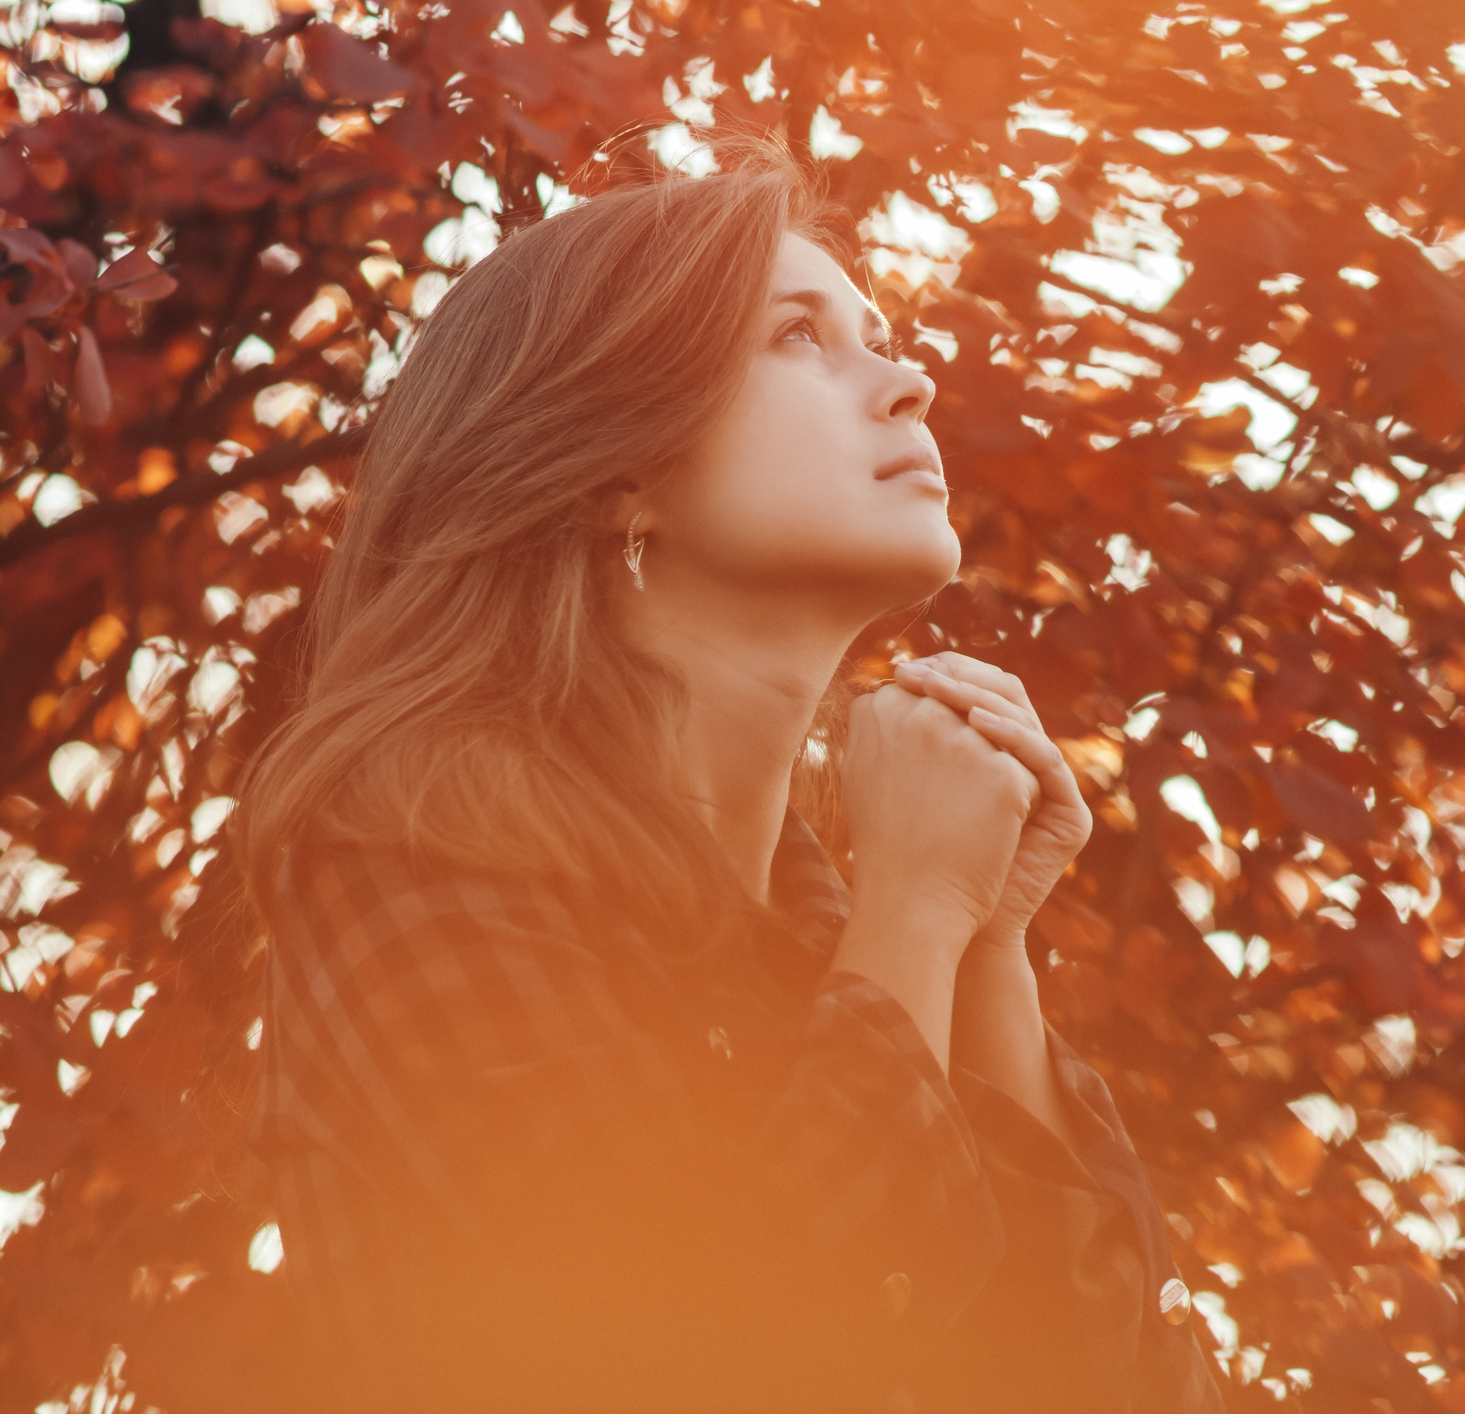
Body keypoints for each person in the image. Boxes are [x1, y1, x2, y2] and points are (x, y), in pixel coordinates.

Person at [233, 130, 1226, 1413]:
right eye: (798, 335)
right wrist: (919, 906)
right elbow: (708, 1347)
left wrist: (987, 942)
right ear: (614, 472)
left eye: (881, 334)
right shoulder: (408, 860)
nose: (911, 380)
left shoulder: (846, 949)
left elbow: (1128, 1388)